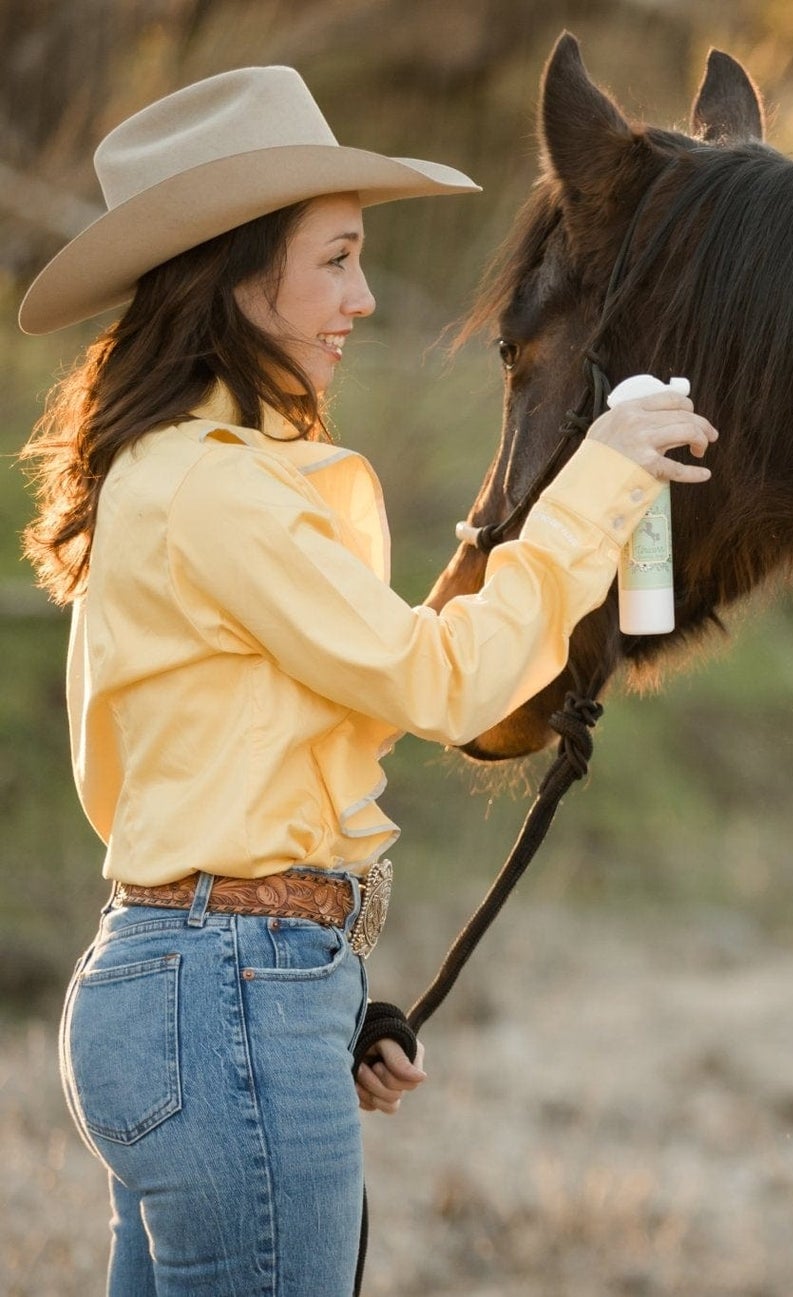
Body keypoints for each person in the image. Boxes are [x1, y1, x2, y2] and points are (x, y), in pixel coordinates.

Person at [15, 65, 714, 1295]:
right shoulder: (219, 487)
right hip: (219, 995)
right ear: (238, 274)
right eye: (335, 259)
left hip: (198, 985)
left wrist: (314, 987)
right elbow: (440, 682)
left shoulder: (185, 475)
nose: (365, 296)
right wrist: (599, 479)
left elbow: (235, 783)